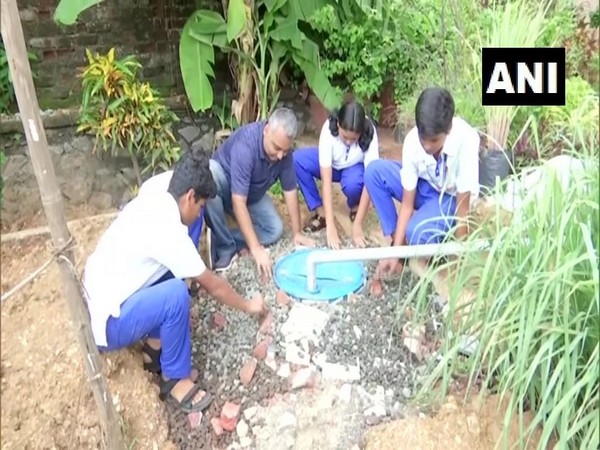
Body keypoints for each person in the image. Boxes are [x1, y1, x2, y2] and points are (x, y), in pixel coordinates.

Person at [83, 150, 268, 414]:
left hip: (104, 287)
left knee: (190, 233)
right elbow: (214, 285)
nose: (201, 210)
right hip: (107, 323)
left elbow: (190, 208)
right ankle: (174, 380)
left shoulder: (161, 188)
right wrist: (250, 305)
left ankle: (154, 348)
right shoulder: (167, 232)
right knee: (176, 295)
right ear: (190, 195)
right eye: (201, 204)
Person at [364, 87, 480, 278]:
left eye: (434, 140)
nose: (426, 146)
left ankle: (418, 243)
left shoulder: (466, 139)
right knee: (374, 173)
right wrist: (395, 251)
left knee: (417, 231)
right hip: (426, 187)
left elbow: (462, 207)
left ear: (448, 129)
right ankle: (401, 252)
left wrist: (460, 257)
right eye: (423, 138)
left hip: (450, 198)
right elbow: (407, 205)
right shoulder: (412, 142)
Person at [204, 107, 314, 279]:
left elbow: (290, 190)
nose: (280, 156)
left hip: (252, 194)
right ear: (266, 130)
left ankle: (224, 237)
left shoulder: (284, 152)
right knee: (209, 174)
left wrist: (297, 232)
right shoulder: (246, 146)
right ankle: (225, 247)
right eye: (276, 148)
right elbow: (238, 202)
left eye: (285, 151)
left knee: (275, 230)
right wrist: (256, 249)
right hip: (226, 186)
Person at [293, 100, 380, 249]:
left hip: (353, 170)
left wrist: (358, 225)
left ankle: (355, 205)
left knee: (353, 184)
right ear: (338, 124)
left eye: (353, 139)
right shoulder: (328, 129)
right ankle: (321, 213)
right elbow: (326, 182)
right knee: (298, 160)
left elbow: (370, 179)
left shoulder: (369, 131)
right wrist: (331, 225)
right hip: (332, 167)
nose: (348, 142)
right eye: (344, 136)